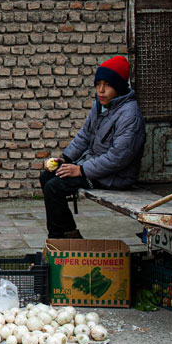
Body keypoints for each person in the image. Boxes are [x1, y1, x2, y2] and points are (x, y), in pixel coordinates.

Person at [39, 55, 145, 239]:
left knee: (55, 187)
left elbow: (118, 157)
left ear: (119, 87)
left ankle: (62, 237)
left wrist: (81, 170)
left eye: (107, 85)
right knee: (47, 176)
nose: (101, 90)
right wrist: (66, 159)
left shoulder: (130, 114)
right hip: (94, 168)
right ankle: (65, 233)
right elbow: (84, 136)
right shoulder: (101, 105)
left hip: (114, 176)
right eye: (98, 84)